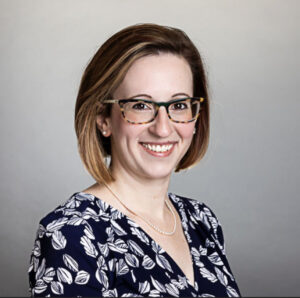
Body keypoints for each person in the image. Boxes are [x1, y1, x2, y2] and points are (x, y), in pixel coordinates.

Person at [28, 23, 241, 297]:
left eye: (178, 105)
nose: (163, 128)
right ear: (103, 119)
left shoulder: (201, 221)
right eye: (140, 106)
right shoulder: (72, 234)